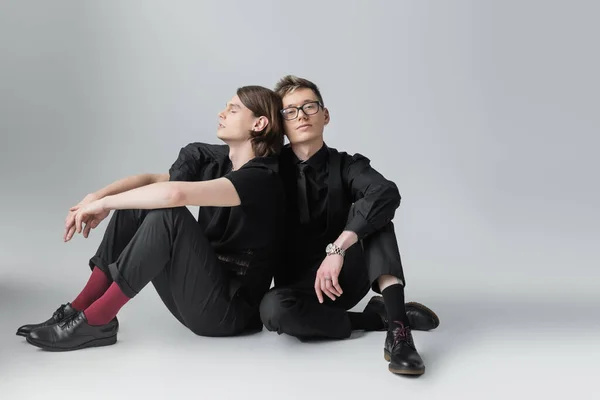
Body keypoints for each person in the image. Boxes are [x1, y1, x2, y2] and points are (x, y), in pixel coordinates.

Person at [17, 85, 287, 351]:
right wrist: (95, 197)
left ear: (259, 123)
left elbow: (174, 195)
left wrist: (104, 204)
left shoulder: (263, 177)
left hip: (229, 313)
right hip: (199, 293)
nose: (221, 113)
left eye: (233, 109)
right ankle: (82, 309)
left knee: (168, 216)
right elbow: (150, 181)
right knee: (140, 202)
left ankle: (96, 320)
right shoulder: (218, 162)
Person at [259, 76, 439, 376]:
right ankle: (376, 319)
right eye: (290, 111)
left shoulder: (347, 164)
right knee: (273, 310)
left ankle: (398, 335)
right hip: (300, 291)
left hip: (346, 277)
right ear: (282, 123)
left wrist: (338, 248)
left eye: (309, 106)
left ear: (325, 115)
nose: (301, 115)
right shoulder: (268, 169)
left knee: (374, 212)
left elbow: (386, 192)